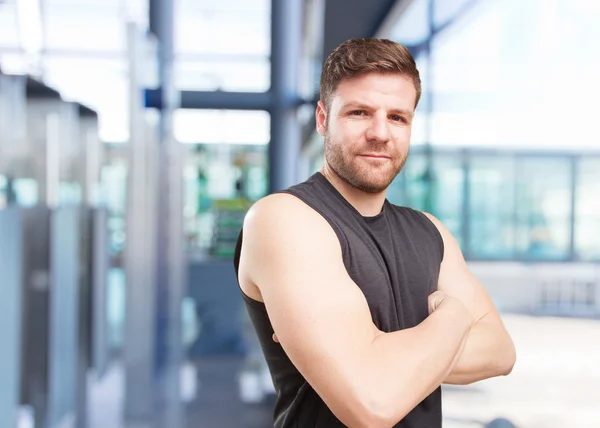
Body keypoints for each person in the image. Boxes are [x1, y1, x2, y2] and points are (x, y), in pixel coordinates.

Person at [234, 38, 516, 428]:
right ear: (322, 119)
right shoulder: (284, 219)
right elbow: (372, 403)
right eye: (360, 112)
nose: (380, 133)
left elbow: (500, 352)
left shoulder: (430, 232)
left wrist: (374, 349)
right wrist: (454, 315)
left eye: (397, 117)